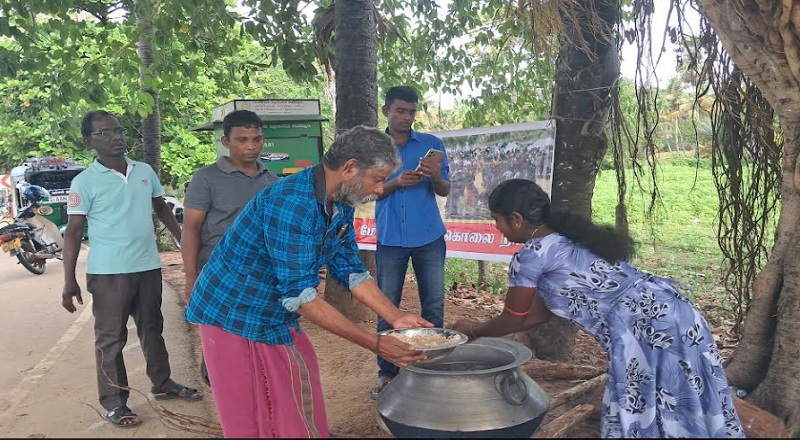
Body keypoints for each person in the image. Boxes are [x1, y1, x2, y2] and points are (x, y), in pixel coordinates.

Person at [184, 125, 432, 438]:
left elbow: (351, 270)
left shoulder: (340, 202)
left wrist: (396, 317)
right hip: (233, 313)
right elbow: (301, 296)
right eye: (378, 179)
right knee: (251, 415)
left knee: (296, 391)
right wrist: (377, 344)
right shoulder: (292, 203)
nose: (380, 190)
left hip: (274, 313)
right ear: (350, 167)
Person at [449, 179, 745, 438]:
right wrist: (481, 331)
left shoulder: (530, 256)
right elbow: (535, 315)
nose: (495, 227)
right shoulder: (569, 238)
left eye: (496, 219)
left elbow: (513, 316)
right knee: (688, 397)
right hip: (676, 312)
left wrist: (472, 330)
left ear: (515, 218)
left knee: (644, 406)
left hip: (642, 330)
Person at [61, 110, 203, 429]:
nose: (116, 137)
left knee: (153, 327)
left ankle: (163, 383)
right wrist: (68, 280)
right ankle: (115, 403)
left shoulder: (144, 171)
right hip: (109, 273)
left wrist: (183, 242)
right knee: (111, 339)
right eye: (105, 133)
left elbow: (160, 206)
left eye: (118, 130)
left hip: (148, 266)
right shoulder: (84, 182)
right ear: (89, 142)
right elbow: (72, 232)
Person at [180, 110, 278, 385]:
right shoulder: (207, 178)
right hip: (218, 273)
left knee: (256, 341)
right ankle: (224, 397)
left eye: (256, 139)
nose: (250, 146)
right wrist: (191, 277)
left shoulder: (272, 181)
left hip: (261, 276)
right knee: (220, 345)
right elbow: (191, 229)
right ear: (226, 142)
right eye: (242, 140)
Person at [370, 85, 451, 400]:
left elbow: (444, 189)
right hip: (390, 239)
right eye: (400, 110)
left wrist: (434, 177)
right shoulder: (372, 148)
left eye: (411, 112)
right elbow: (365, 192)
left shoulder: (431, 144)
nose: (406, 117)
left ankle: (432, 369)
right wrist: (395, 183)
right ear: (386, 110)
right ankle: (387, 374)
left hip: (429, 236)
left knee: (433, 304)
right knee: (386, 307)